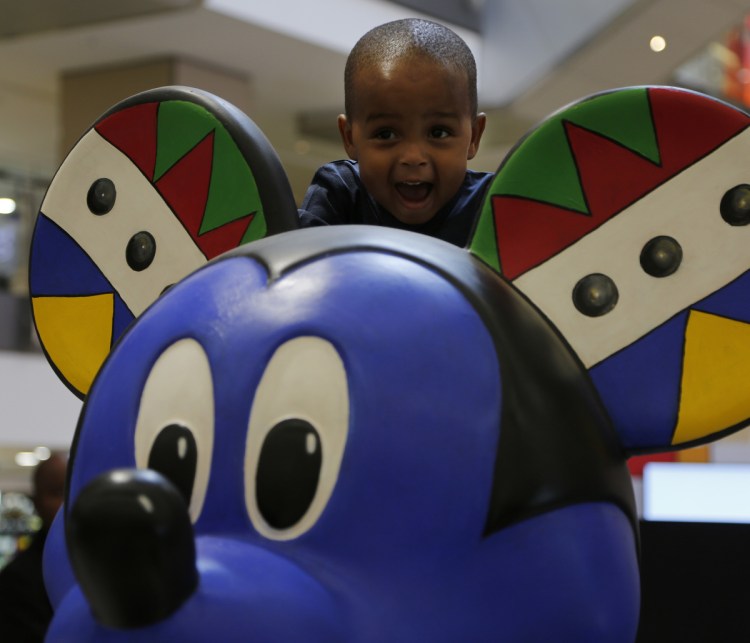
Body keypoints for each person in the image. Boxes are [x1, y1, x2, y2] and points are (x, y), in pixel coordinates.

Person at [298, 18, 492, 247]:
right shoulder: (341, 192)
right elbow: (302, 270)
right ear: (350, 138)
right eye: (386, 134)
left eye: (438, 133)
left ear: (474, 136)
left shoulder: (493, 206)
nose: (413, 158)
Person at [0, 452, 67, 642]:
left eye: (77, 489)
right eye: (58, 492)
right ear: (36, 503)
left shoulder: (105, 565)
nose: (68, 503)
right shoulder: (17, 579)